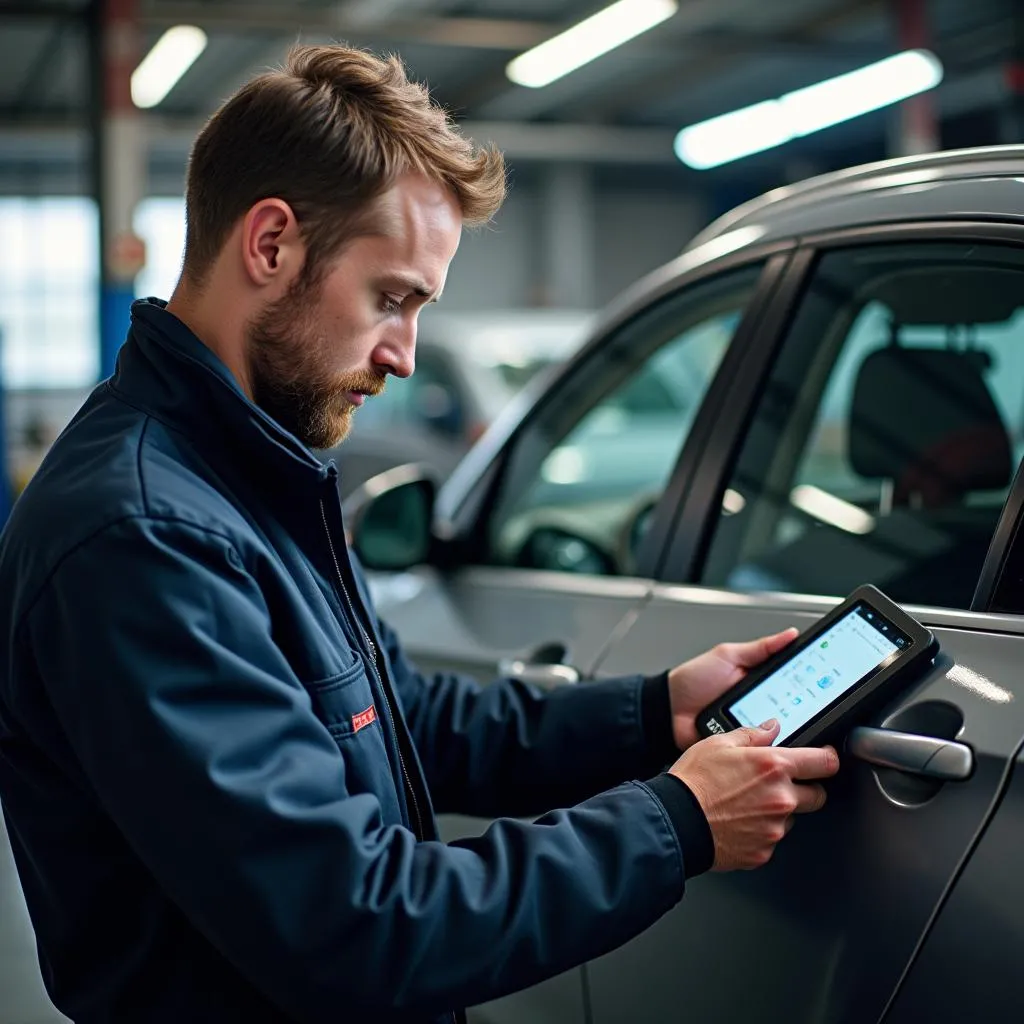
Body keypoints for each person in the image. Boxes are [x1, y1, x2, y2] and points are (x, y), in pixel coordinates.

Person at [0, 45, 838, 1024]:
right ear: (270, 245)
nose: (401, 354)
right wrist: (675, 821)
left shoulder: (248, 478)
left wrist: (653, 715)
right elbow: (356, 923)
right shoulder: (142, 536)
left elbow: (406, 719)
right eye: (390, 298)